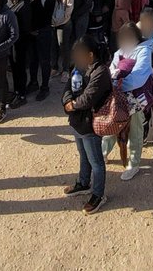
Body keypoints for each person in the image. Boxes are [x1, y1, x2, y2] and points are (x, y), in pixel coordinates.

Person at [62, 34, 112, 215]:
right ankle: (83, 183)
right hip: (77, 122)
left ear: (90, 55)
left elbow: (89, 98)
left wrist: (72, 105)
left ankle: (98, 195)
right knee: (83, 154)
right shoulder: (79, 67)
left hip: (91, 123)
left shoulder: (100, 71)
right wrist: (68, 101)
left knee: (96, 162)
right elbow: (67, 87)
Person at [102, 22, 153, 180]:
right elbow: (111, 69)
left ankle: (134, 164)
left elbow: (138, 77)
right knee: (111, 124)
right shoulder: (120, 51)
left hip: (137, 98)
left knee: (135, 130)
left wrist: (117, 83)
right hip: (118, 96)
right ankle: (103, 153)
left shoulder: (144, 51)